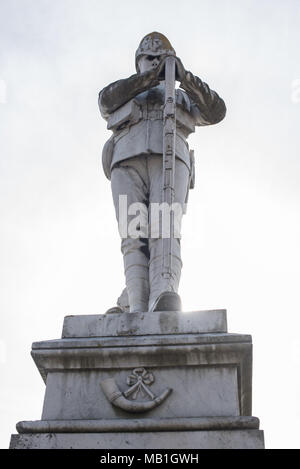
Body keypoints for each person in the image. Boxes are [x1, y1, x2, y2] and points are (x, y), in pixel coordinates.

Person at [98, 32, 226, 313]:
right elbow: (105, 101)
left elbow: (216, 111)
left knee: (165, 231)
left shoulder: (182, 95)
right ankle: (135, 302)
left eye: (161, 57)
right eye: (148, 57)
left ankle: (163, 294)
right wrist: (147, 78)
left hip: (170, 158)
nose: (155, 61)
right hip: (126, 163)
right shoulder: (123, 91)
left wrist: (185, 78)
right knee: (133, 236)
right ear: (138, 62)